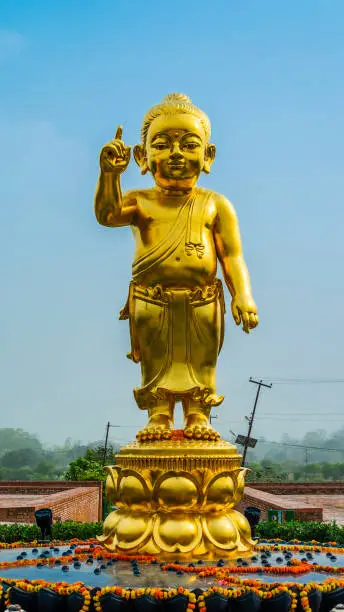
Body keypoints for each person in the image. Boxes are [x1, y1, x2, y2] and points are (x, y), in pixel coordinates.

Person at [95, 93, 258, 441]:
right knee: (155, 359)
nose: (176, 154)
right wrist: (110, 176)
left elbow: (232, 256)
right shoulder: (140, 201)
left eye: (188, 144)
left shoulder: (215, 203)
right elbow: (107, 216)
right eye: (163, 145)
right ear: (142, 156)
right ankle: (159, 414)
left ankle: (199, 413)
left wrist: (243, 295)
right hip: (151, 298)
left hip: (203, 300)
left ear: (208, 155)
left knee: (202, 361)